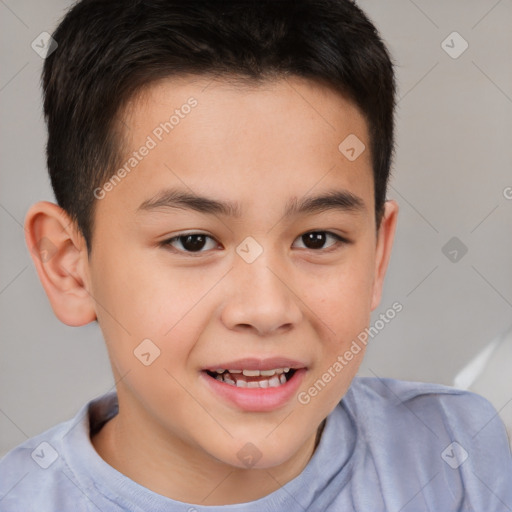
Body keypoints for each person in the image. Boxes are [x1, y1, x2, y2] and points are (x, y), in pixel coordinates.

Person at [1, 0, 511, 510]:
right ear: (69, 266)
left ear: (378, 256)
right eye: (193, 241)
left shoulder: (463, 458)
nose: (267, 309)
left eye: (316, 239)